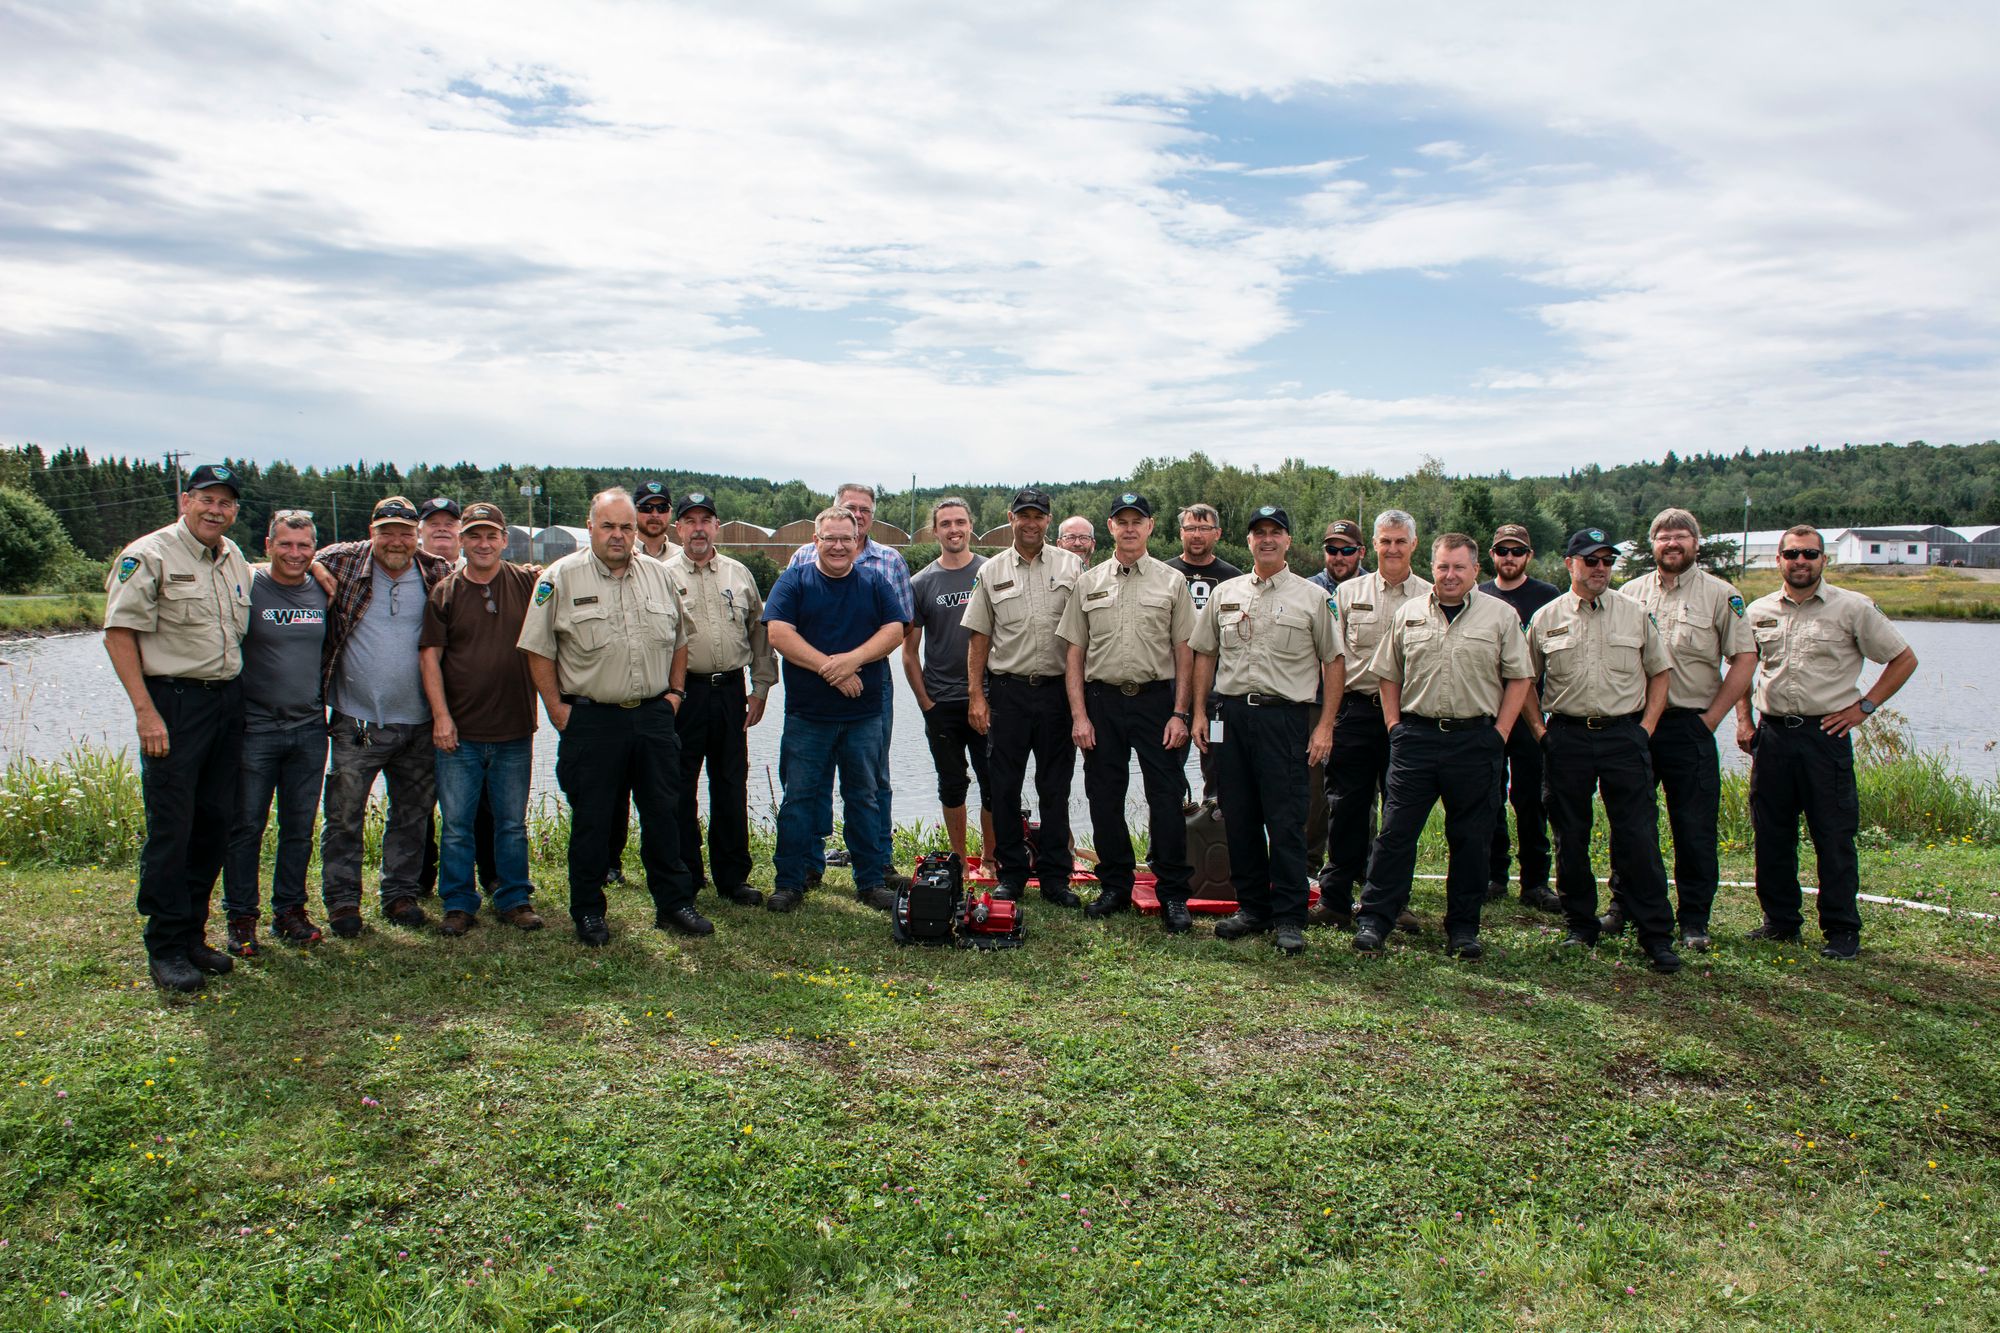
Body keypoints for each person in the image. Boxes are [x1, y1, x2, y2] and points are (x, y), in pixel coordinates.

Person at [518, 488, 709, 945]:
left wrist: (676, 693)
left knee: (664, 813)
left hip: (652, 717)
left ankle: (674, 903)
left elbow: (680, 639)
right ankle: (588, 911)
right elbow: (537, 649)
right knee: (594, 821)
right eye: (609, 526)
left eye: (626, 526)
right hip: (591, 720)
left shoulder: (659, 576)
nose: (619, 535)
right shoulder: (560, 578)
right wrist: (558, 711)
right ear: (590, 527)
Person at [1734, 525, 1918, 960]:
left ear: (1823, 560)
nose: (1801, 562)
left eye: (1810, 554)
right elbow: (1742, 667)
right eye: (1792, 554)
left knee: (1833, 835)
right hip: (1773, 735)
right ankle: (1780, 922)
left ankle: (1841, 929)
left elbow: (1903, 658)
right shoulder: (1758, 611)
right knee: (1772, 835)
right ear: (1778, 559)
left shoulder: (1853, 608)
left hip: (1825, 736)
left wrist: (1865, 708)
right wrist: (1743, 720)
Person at [103, 463, 253, 992]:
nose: (217, 510)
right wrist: (146, 712)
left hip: (226, 702)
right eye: (207, 500)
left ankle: (192, 934)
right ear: (185, 500)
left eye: (226, 503)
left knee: (215, 822)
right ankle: (165, 947)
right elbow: (119, 634)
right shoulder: (148, 555)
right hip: (174, 703)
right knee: (173, 826)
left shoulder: (233, 557)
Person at [1352, 534, 1533, 959]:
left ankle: (1463, 928)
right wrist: (1394, 724)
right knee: (1396, 834)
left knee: (1471, 839)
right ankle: (1375, 920)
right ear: (1432, 567)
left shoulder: (1501, 617)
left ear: (1475, 571)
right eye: (1442, 566)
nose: (1450, 575)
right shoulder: (1409, 613)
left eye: (1459, 567)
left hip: (1476, 740)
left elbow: (1520, 677)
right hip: (1416, 737)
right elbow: (1388, 673)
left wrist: (1501, 733)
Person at [1523, 528, 1683, 974]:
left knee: (1638, 836)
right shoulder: (1546, 617)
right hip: (1567, 736)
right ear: (1569, 563)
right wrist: (1540, 731)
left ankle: (1655, 933)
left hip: (1623, 736)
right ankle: (1580, 924)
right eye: (1590, 560)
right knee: (1569, 835)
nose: (1599, 569)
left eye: (1607, 561)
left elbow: (1660, 673)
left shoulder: (1635, 614)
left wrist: (1646, 728)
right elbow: (1523, 680)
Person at [1190, 506, 1340, 955]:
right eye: (1260, 533)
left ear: (1288, 541)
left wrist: (1326, 726)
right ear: (1249, 540)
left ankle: (1289, 915)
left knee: (1286, 819)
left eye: (1276, 532)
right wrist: (1198, 712)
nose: (1267, 540)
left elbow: (1334, 661)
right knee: (1239, 816)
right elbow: (1204, 654)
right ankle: (1253, 907)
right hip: (1232, 717)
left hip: (1285, 719)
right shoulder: (1227, 592)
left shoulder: (1313, 598)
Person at [1609, 508, 1756, 950]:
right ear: (1651, 544)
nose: (1672, 544)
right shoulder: (1629, 595)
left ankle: (1694, 918)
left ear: (1696, 543)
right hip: (1636, 726)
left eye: (1681, 537)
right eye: (1663, 538)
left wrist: (1713, 718)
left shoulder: (1720, 595)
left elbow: (1745, 658)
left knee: (1693, 826)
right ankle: (1623, 907)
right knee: (1630, 822)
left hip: (1689, 724)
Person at [314, 496, 454, 938]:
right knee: (344, 814)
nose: (396, 540)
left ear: (417, 535)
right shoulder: (340, 562)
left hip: (418, 721)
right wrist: (316, 568)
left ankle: (399, 894)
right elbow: (294, 557)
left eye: (405, 532)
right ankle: (342, 902)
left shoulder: (435, 571)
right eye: (386, 531)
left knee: (412, 815)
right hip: (357, 721)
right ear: (370, 532)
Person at [1058, 492, 1197, 933]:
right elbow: (1074, 654)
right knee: (1104, 796)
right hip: (1102, 702)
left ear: (1151, 527)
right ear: (1112, 527)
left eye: (1138, 521)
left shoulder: (1171, 582)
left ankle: (1174, 893)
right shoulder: (1089, 582)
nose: (1130, 528)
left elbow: (1186, 652)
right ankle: (1114, 885)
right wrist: (1079, 716)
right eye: (1123, 521)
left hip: (1158, 701)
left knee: (1167, 798)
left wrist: (1182, 714)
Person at [763, 506, 909, 912]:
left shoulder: (874, 581)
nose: (839, 545)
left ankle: (870, 881)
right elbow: (778, 632)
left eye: (847, 538)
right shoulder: (795, 581)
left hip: (864, 715)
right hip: (807, 716)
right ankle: (790, 882)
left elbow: (895, 630)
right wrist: (833, 668)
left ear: (857, 541)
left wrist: (853, 659)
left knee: (863, 798)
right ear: (816, 541)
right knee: (800, 800)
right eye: (830, 538)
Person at [418, 502, 544, 937]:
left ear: (505, 540)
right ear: (461, 541)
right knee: (456, 825)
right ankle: (457, 901)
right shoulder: (445, 592)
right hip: (460, 734)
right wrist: (441, 718)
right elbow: (430, 658)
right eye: (474, 535)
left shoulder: (527, 583)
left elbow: (564, 584)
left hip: (514, 729)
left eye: (492, 535)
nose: (483, 543)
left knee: (511, 823)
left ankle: (513, 897)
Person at [963, 488, 1085, 904]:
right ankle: (1011, 873)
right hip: (1008, 693)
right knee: (1004, 786)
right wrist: (976, 698)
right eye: (1023, 515)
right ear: (1010, 518)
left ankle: (1055, 876)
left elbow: (1086, 635)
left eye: (1039, 515)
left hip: (1056, 695)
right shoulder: (991, 571)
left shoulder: (1073, 566)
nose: (1031, 522)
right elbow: (979, 637)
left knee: (1055, 787)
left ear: (1049, 520)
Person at [221, 509, 329, 957]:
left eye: (304, 546)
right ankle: (241, 918)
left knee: (299, 828)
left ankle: (290, 912)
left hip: (309, 727)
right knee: (245, 826)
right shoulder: (246, 583)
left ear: (314, 549)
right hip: (256, 727)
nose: (295, 553)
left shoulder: (323, 589)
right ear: (268, 545)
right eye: (285, 544)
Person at [1317, 510, 1431, 929]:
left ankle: (1392, 902)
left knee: (1399, 814)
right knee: (1345, 806)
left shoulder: (1431, 595)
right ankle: (1334, 898)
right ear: (1374, 547)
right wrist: (1327, 721)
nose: (1393, 549)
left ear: (1414, 544)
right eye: (1386, 541)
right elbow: (1332, 658)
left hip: (1411, 717)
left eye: (1400, 541)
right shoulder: (1348, 594)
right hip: (1357, 710)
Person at [665, 491, 776, 908]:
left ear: (716, 527)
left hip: (730, 690)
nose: (698, 528)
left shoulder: (738, 574)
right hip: (682, 694)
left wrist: (760, 688)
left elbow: (759, 633)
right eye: (689, 521)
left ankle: (733, 877)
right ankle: (686, 874)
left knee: (730, 784)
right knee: (679, 786)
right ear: (678, 528)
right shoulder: (659, 574)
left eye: (705, 520)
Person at [903, 497, 997, 865]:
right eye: (946, 524)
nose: (954, 529)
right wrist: (926, 703)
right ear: (935, 530)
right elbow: (909, 652)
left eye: (960, 522)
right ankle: (958, 859)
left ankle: (991, 858)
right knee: (952, 783)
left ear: (971, 525)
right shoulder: (921, 582)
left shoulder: (991, 572)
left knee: (993, 782)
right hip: (942, 701)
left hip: (988, 699)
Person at [1478, 523, 1563, 914]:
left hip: (1530, 715)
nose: (1509, 558)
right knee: (1488, 798)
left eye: (1517, 551)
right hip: (1487, 713)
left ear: (1528, 556)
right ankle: (1495, 874)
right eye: (1502, 551)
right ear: (1492, 557)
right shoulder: (1479, 595)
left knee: (1531, 799)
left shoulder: (1547, 597)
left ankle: (1535, 881)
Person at [1305, 518, 1366, 875]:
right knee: (1313, 791)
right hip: (1314, 702)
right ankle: (1309, 862)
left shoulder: (1374, 588)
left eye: (1346, 550)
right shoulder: (1309, 590)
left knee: (1359, 794)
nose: (1338, 557)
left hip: (1361, 702)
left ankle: (1358, 865)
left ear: (1360, 551)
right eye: (1332, 550)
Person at [634, 480, 682, 562]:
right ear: (633, 511)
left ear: (671, 512)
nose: (655, 514)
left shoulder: (682, 557)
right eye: (647, 508)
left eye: (662, 508)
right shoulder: (622, 553)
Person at [417, 497, 462, 564]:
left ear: (461, 530)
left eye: (449, 524)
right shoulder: (405, 570)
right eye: (434, 524)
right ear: (420, 531)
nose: (442, 529)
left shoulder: (476, 570)